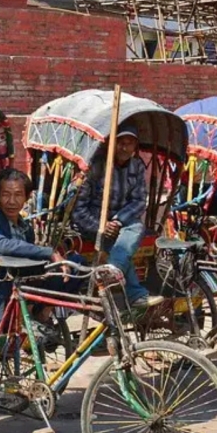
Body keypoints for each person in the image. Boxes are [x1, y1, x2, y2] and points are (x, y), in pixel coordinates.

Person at [0, 168, 70, 340]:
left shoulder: (25, 227)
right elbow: (2, 245)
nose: (12, 201)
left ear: (27, 197)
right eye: (6, 194)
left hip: (23, 288)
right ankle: (28, 318)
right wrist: (49, 252)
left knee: (73, 265)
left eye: (18, 195)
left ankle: (42, 314)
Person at [71, 123, 162, 307]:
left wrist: (118, 221)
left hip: (122, 219)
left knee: (136, 228)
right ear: (111, 144)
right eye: (120, 142)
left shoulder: (136, 167)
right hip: (93, 221)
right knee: (118, 244)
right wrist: (101, 226)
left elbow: (138, 201)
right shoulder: (95, 167)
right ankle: (135, 293)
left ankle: (112, 271)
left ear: (135, 147)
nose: (124, 148)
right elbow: (78, 210)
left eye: (130, 143)